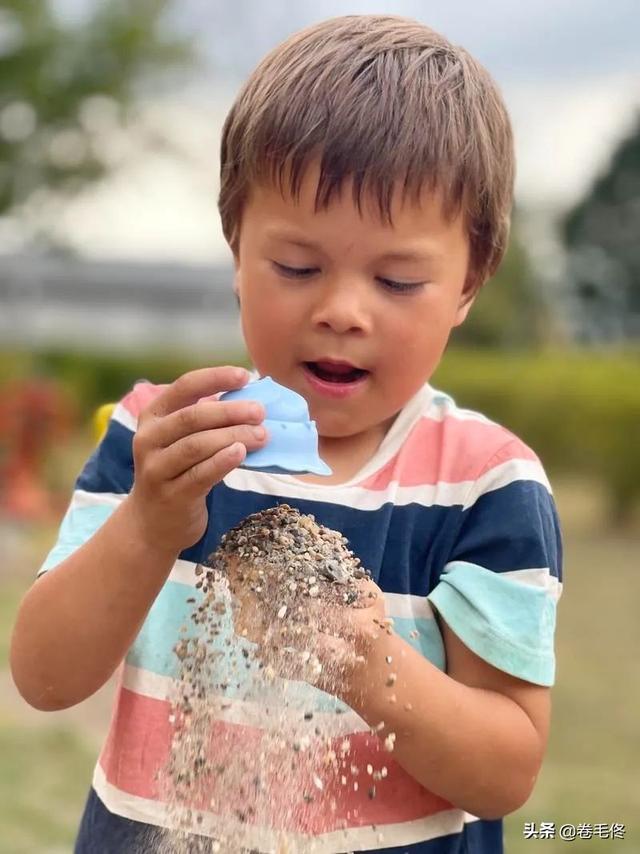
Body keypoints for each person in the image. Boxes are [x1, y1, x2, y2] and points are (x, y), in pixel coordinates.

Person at [10, 14, 563, 854]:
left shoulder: (484, 484)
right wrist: (150, 525)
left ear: (468, 284)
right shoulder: (164, 441)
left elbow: (504, 773)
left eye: (397, 280)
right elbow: (45, 678)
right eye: (297, 267)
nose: (341, 310)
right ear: (236, 251)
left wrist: (369, 665)